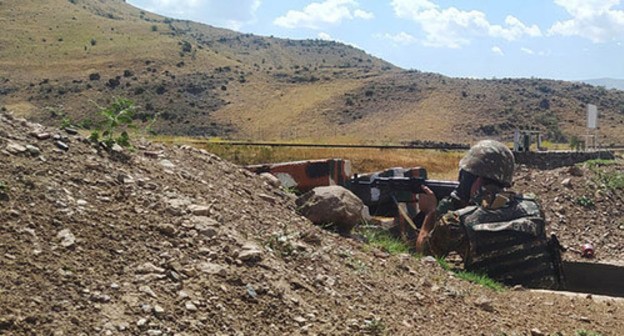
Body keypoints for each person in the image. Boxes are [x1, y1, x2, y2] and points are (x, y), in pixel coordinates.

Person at [416, 140, 563, 289]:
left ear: (475, 180)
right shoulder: (533, 206)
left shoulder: (457, 221)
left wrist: (430, 212)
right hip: (543, 299)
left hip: (499, 305)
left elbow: (424, 254)